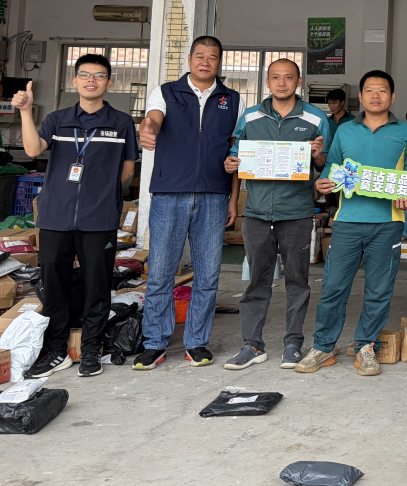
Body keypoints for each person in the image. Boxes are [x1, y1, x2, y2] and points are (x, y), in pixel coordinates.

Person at [18, 55, 137, 378]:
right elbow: (32, 150)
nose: (91, 80)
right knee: (54, 286)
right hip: (55, 217)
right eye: (85, 75)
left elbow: (127, 170)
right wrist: (26, 111)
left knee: (97, 286)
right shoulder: (57, 120)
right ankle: (57, 351)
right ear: (75, 81)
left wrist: (100, 194)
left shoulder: (121, 123)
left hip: (99, 219)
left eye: (99, 75)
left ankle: (91, 350)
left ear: (109, 82)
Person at [135, 36, 243, 370]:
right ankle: (154, 343)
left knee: (208, 274)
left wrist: (233, 198)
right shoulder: (166, 92)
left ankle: (196, 342)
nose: (205, 62)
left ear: (219, 62)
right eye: (199, 55)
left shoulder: (232, 100)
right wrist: (148, 127)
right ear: (189, 58)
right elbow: (153, 118)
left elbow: (236, 152)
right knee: (161, 273)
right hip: (170, 193)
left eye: (212, 57)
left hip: (214, 195)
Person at [299, 70, 407, 377]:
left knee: (379, 289)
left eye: (382, 90)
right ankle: (324, 347)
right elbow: (332, 168)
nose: (376, 96)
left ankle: (366, 346)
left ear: (392, 96)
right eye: (370, 91)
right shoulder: (345, 131)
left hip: (388, 222)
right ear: (361, 97)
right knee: (334, 287)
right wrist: (323, 183)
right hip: (348, 221)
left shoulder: (406, 133)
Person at [220, 59, 328, 370]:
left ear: (299, 81)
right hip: (256, 212)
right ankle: (252, 345)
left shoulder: (316, 118)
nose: (282, 83)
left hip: (296, 212)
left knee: (298, 281)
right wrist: (230, 163)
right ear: (267, 81)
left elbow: (326, 163)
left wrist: (319, 156)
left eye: (288, 77)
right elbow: (236, 154)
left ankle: (293, 343)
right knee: (257, 281)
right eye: (276, 77)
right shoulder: (251, 116)